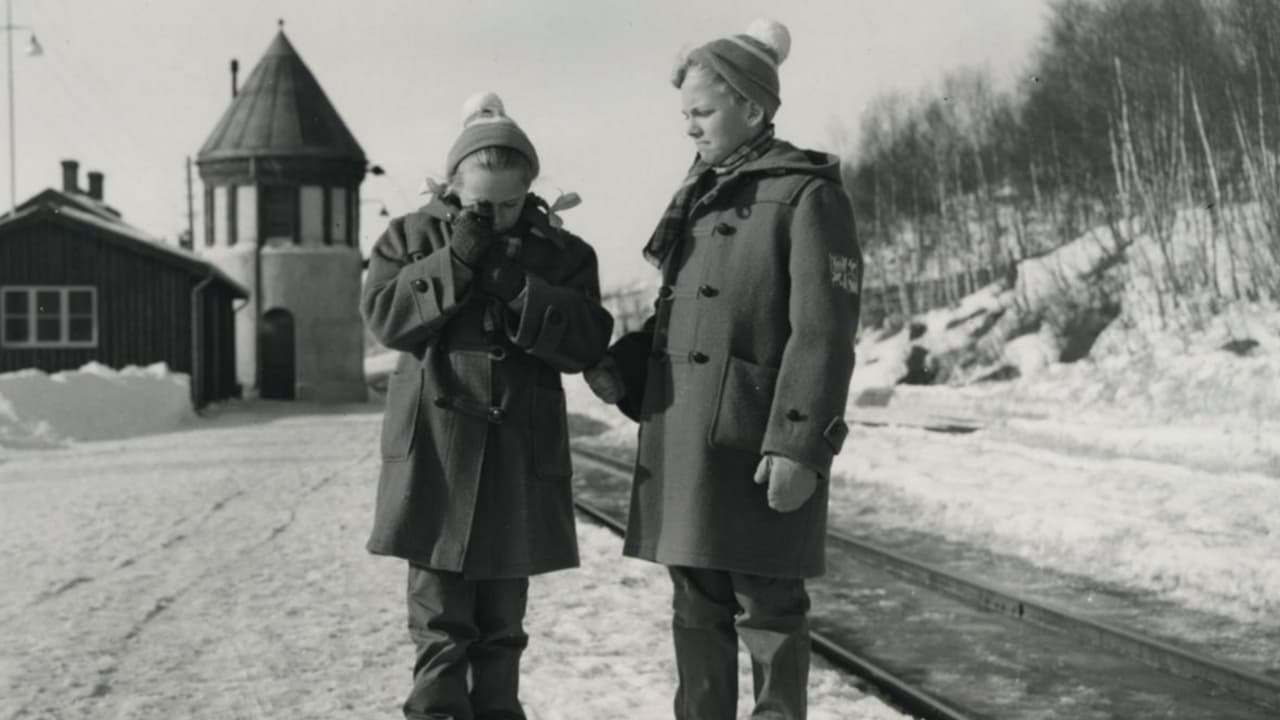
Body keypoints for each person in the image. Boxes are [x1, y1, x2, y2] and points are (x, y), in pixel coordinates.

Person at [584, 19, 862, 720]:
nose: (690, 129)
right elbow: (696, 314)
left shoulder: (806, 195)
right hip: (689, 438)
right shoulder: (703, 195)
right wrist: (632, 362)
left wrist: (800, 443)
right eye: (685, 115)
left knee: (769, 609)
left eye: (701, 112)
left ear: (752, 106)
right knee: (695, 607)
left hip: (755, 440)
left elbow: (825, 332)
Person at [362, 92, 613, 720]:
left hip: (516, 454)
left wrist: (523, 292)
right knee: (440, 623)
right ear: (452, 185)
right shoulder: (410, 235)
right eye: (479, 204)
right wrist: (455, 262)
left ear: (531, 189)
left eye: (509, 204)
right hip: (437, 451)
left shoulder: (564, 252)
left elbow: (586, 342)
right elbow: (385, 321)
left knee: (503, 625)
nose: (496, 218)